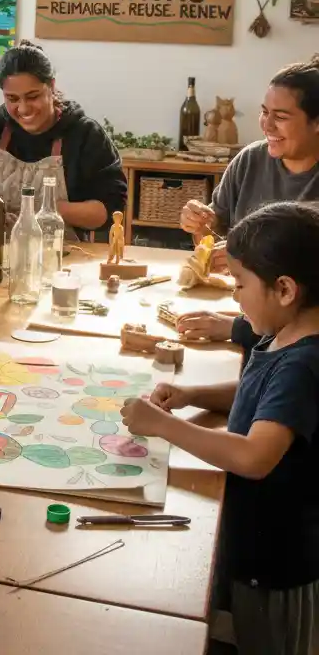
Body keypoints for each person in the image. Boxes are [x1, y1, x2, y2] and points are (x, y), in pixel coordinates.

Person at [121, 202, 319, 655]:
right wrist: (195, 396)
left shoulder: (304, 364)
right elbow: (260, 396)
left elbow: (253, 455)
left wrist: (163, 425)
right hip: (254, 546)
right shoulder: (284, 333)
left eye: (240, 283)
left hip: (277, 566)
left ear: (285, 288)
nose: (234, 295)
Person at [177, 58, 319, 344]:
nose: (266, 125)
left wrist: (235, 328)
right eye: (264, 112)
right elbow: (212, 242)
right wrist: (200, 228)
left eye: (280, 116)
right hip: (243, 313)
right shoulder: (249, 160)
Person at [0, 41, 126, 234]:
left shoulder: (85, 135)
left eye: (33, 96)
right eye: (12, 99)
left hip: (63, 256)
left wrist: (49, 209)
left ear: (51, 85)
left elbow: (109, 209)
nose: (23, 109)